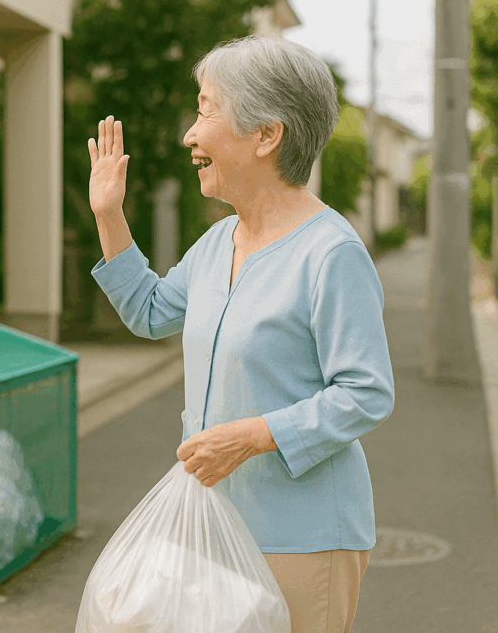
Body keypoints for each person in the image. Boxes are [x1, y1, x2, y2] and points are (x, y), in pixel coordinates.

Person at [87, 36, 394, 633]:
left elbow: (366, 392)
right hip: (214, 525)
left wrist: (251, 436)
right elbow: (149, 311)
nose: (190, 135)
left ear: (266, 135)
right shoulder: (217, 242)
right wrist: (108, 213)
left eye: (206, 110)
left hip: (302, 536)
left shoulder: (331, 254)